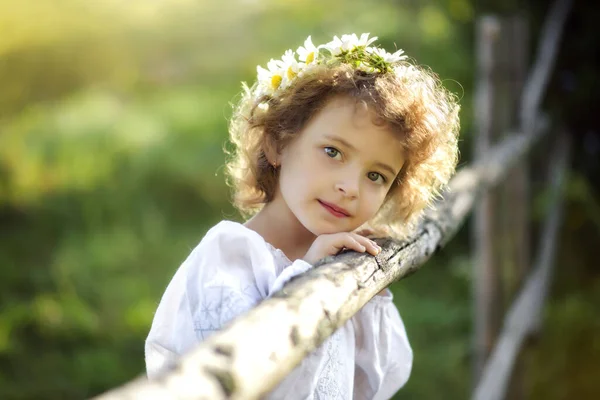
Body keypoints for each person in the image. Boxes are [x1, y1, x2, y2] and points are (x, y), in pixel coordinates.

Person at [145, 33, 460, 399]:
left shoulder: (342, 261)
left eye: (376, 176)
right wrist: (304, 276)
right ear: (278, 142)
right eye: (333, 151)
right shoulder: (227, 262)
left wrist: (369, 289)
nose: (350, 186)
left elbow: (379, 382)